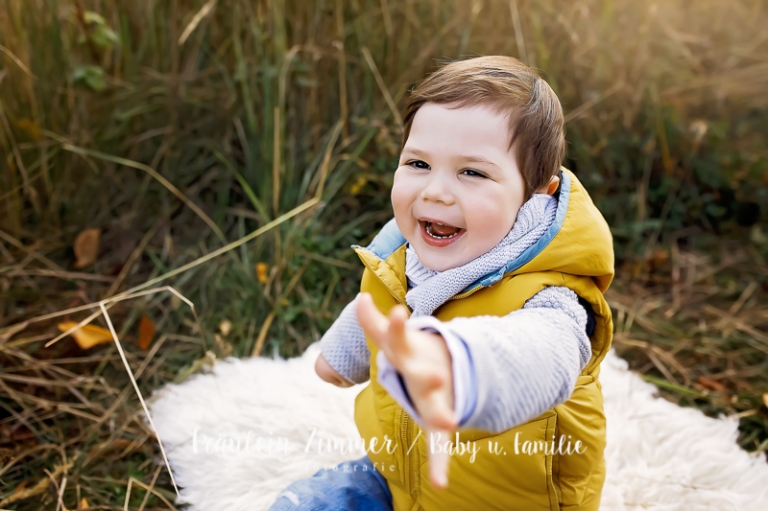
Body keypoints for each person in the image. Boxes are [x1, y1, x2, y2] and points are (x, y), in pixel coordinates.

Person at [270, 55, 614, 511]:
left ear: (536, 193)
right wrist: (341, 356)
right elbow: (381, 308)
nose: (434, 190)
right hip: (398, 478)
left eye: (472, 172)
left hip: (501, 501)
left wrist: (459, 369)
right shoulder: (406, 257)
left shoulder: (553, 298)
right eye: (418, 164)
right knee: (308, 503)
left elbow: (543, 354)